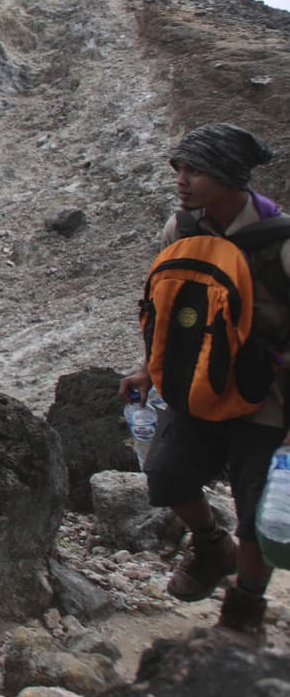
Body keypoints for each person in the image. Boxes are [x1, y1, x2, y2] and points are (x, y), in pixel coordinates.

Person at [120, 123, 290, 641]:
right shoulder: (182, 230)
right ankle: (210, 544)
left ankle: (244, 614)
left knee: (256, 514)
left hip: (267, 401)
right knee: (168, 477)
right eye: (180, 169)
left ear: (229, 176)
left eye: (195, 170)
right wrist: (151, 366)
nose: (183, 180)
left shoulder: (281, 243)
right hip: (196, 385)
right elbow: (165, 306)